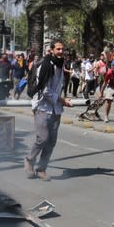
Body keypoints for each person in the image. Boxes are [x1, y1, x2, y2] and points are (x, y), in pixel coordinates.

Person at [24, 40, 73, 181]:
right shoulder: (45, 65)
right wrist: (62, 100)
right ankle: (29, 160)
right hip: (42, 106)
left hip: (55, 108)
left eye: (62, 48)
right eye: (58, 49)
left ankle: (41, 169)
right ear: (51, 50)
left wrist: (61, 100)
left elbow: (57, 86)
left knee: (51, 141)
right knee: (42, 138)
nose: (61, 51)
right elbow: (45, 90)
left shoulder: (60, 64)